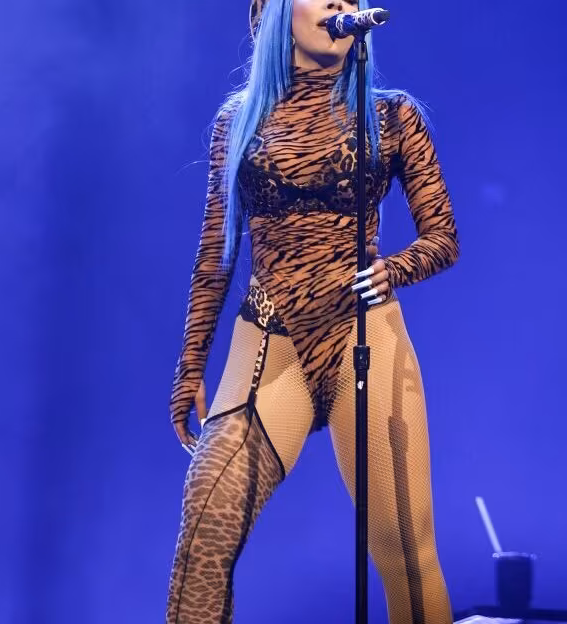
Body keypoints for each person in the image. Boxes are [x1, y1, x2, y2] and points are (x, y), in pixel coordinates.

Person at [164, 0, 459, 622]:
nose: (339, 5)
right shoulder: (239, 121)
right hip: (270, 340)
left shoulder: (390, 116)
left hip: (364, 335)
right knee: (205, 526)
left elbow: (443, 238)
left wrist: (395, 267)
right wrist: (191, 366)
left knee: (405, 553)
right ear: (275, 12)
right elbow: (215, 253)